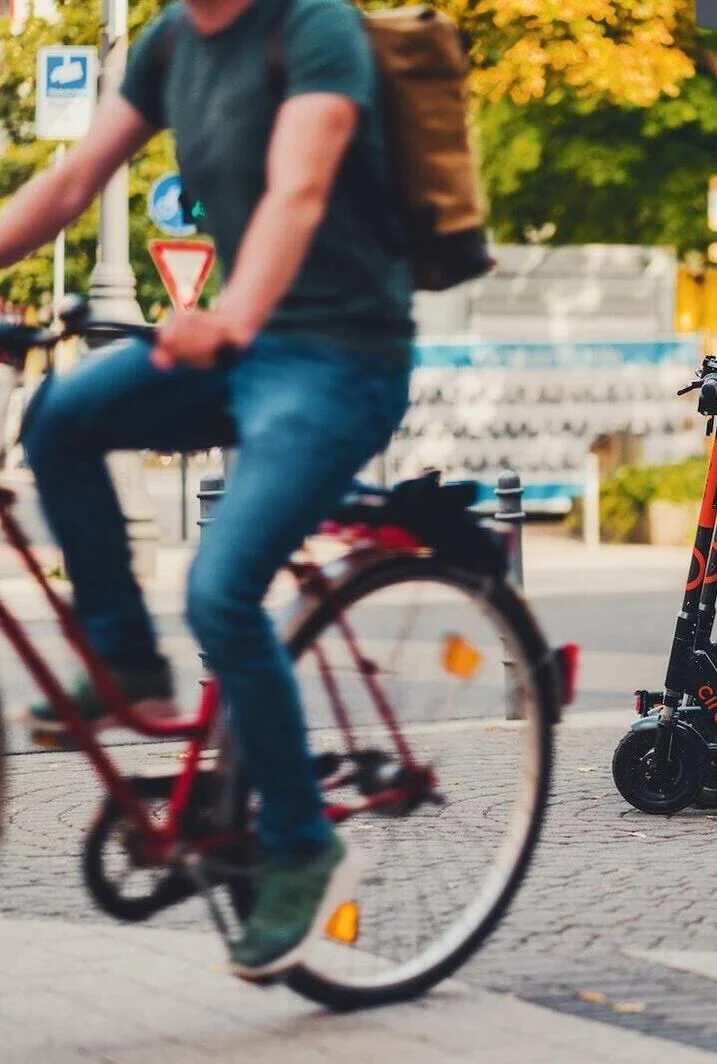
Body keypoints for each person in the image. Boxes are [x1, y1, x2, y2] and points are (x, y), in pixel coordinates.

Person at [0, 0, 414, 981]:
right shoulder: (172, 41)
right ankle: (125, 658)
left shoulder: (312, 30)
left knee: (221, 592)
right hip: (244, 349)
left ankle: (304, 843)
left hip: (338, 359)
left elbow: (298, 192)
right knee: (58, 416)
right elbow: (69, 182)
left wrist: (231, 314)